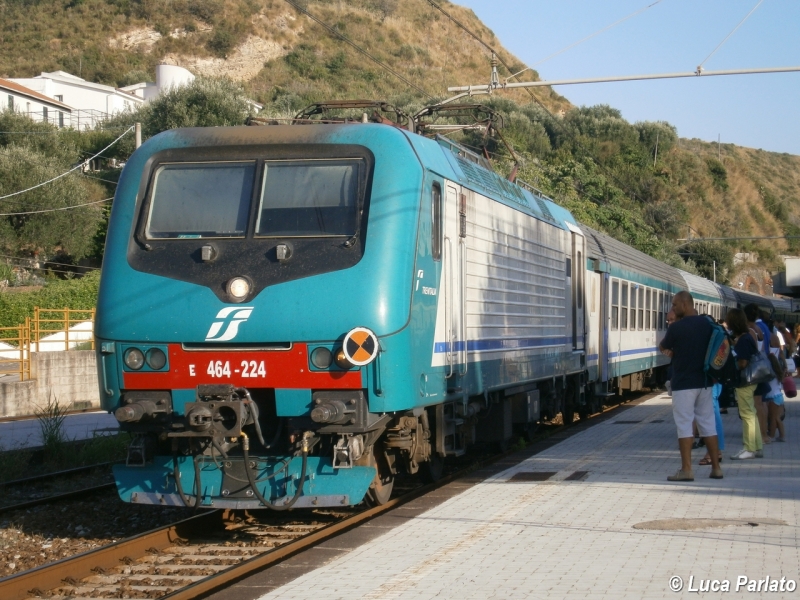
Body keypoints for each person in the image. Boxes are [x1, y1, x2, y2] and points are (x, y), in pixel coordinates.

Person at [659, 291, 722, 480]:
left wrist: (669, 351)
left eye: (675, 305)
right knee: (708, 425)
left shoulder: (676, 328)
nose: (673, 309)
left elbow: (663, 345)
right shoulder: (708, 324)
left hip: (684, 384)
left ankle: (686, 470)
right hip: (705, 382)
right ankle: (716, 468)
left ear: (685, 305)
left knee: (685, 425)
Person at [727, 308, 762, 460]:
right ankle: (757, 446)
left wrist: (732, 363)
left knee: (746, 414)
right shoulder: (746, 337)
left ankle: (749, 448)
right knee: (751, 414)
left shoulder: (743, 340)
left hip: (744, 382)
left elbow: (742, 363)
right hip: (751, 381)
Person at [743, 304, 771, 443]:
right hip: (761, 369)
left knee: (756, 404)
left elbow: (751, 350)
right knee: (762, 403)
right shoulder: (759, 329)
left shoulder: (750, 331)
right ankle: (764, 433)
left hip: (754, 371)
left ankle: (761, 435)